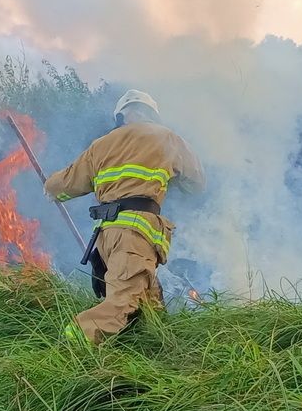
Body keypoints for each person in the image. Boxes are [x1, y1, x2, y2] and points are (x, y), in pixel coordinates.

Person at [43, 89, 206, 346]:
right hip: (136, 235)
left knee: (150, 307)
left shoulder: (101, 145)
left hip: (106, 237)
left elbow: (62, 185)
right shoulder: (166, 139)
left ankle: (160, 353)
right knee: (119, 307)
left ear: (121, 116)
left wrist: (50, 189)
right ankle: (66, 349)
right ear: (152, 114)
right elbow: (196, 182)